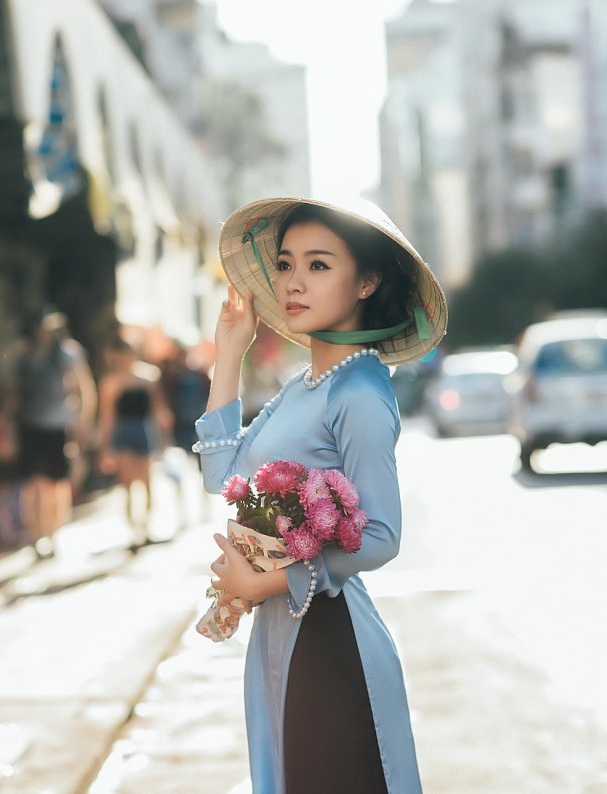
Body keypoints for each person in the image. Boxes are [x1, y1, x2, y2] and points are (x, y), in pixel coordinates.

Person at [199, 198, 447, 793]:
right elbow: (222, 476)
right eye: (285, 266)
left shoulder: (360, 391)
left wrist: (266, 582)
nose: (293, 283)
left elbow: (383, 536)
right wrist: (228, 354)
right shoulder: (303, 385)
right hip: (281, 636)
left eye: (318, 265)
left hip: (331, 641)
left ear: (366, 280)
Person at [13, 311, 96, 558]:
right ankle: (37, 534)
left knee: (55, 483)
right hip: (31, 424)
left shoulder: (67, 353)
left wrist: (83, 422)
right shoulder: (26, 354)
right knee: (33, 484)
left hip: (58, 426)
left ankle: (52, 532)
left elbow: (84, 388)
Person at [97, 337, 172, 549]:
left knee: (147, 482)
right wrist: (106, 448)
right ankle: (134, 530)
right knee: (128, 485)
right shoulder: (110, 383)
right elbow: (107, 417)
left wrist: (164, 438)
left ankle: (146, 527)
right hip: (123, 433)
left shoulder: (148, 377)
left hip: (143, 431)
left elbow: (158, 409)